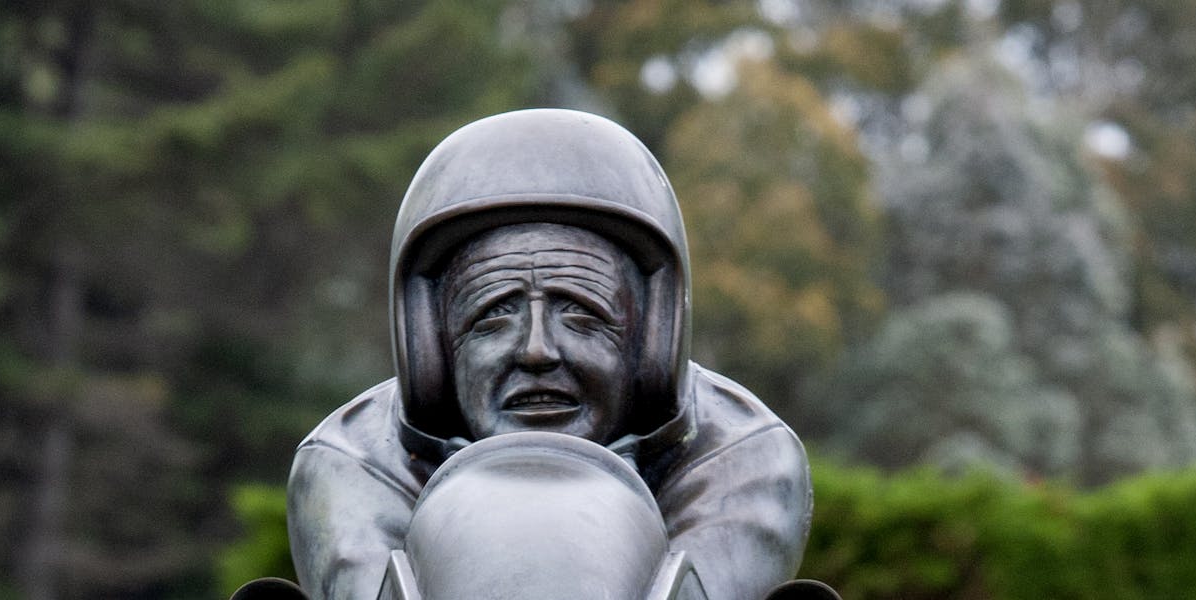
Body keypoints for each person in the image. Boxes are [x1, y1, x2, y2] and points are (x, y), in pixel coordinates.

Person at [286, 109, 812, 600]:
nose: (537, 351)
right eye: (492, 316)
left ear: (650, 337)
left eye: (582, 314)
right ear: (434, 348)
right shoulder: (351, 462)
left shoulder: (743, 458)